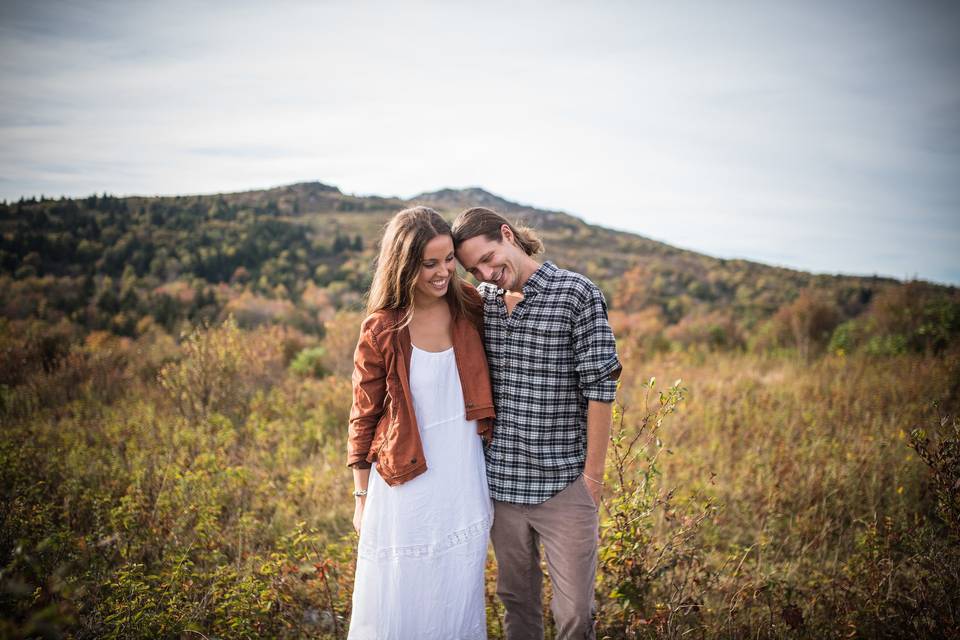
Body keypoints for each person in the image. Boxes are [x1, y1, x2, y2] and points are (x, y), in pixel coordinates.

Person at [452, 207, 622, 640]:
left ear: (508, 235)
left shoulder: (576, 294)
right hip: (501, 488)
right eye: (475, 268)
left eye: (489, 258)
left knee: (575, 614)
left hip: (564, 487)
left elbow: (601, 389)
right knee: (517, 605)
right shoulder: (481, 302)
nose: (487, 273)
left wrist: (593, 481)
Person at [346, 206, 496, 640]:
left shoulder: (470, 305)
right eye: (429, 263)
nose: (443, 271)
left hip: (463, 479)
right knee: (402, 593)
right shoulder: (382, 327)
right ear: (404, 264)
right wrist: (360, 497)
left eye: (448, 259)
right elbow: (363, 413)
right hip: (403, 482)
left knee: (456, 591)